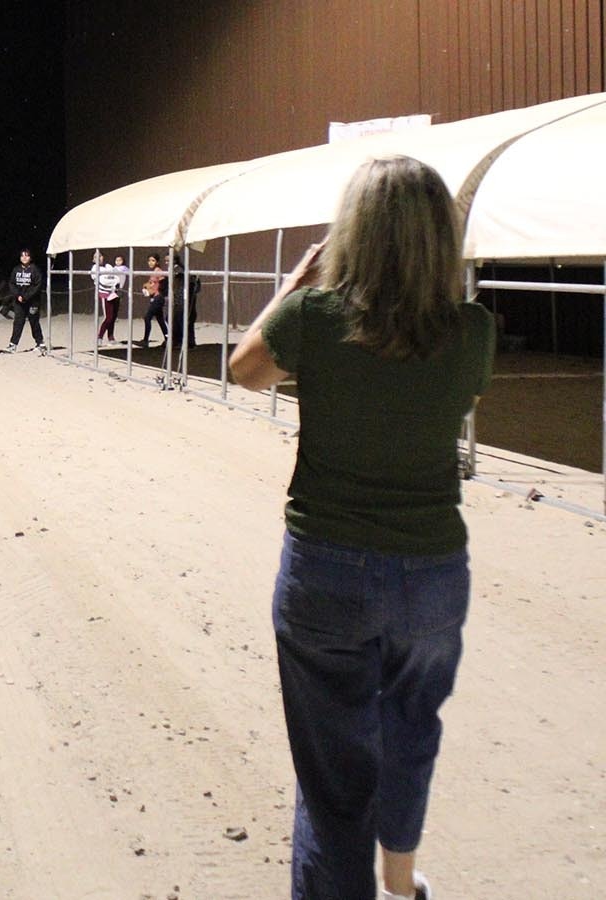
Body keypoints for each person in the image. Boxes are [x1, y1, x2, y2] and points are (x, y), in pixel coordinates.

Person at [229, 156, 494, 900]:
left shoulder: (315, 319)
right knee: (411, 731)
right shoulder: (473, 332)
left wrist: (296, 285)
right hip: (433, 572)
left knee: (332, 776)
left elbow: (244, 367)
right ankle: (402, 883)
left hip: (327, 571)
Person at [3, 248, 47, 354]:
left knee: (34, 322)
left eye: (26, 256)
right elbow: (12, 283)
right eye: (22, 256)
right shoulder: (16, 270)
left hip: (33, 302)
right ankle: (13, 345)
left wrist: (26, 296)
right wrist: (18, 295)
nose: (24, 258)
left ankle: (40, 343)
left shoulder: (35, 269)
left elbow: (37, 285)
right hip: (19, 302)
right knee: (18, 322)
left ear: (30, 257)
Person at [94, 252, 127, 344]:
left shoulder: (109, 266)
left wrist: (114, 282)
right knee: (108, 317)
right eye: (96, 257)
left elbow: (116, 277)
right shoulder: (95, 268)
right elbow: (102, 280)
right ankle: (99, 337)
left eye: (100, 256)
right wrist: (111, 281)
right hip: (105, 294)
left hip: (115, 293)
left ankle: (111, 337)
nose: (99, 258)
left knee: (113, 316)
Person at [140, 253, 169, 346]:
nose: (150, 262)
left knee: (147, 317)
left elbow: (163, 282)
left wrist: (158, 293)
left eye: (153, 260)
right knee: (160, 320)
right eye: (149, 260)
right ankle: (168, 338)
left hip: (158, 298)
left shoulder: (158, 271)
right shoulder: (153, 271)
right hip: (155, 297)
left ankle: (145, 340)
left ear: (157, 262)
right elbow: (152, 284)